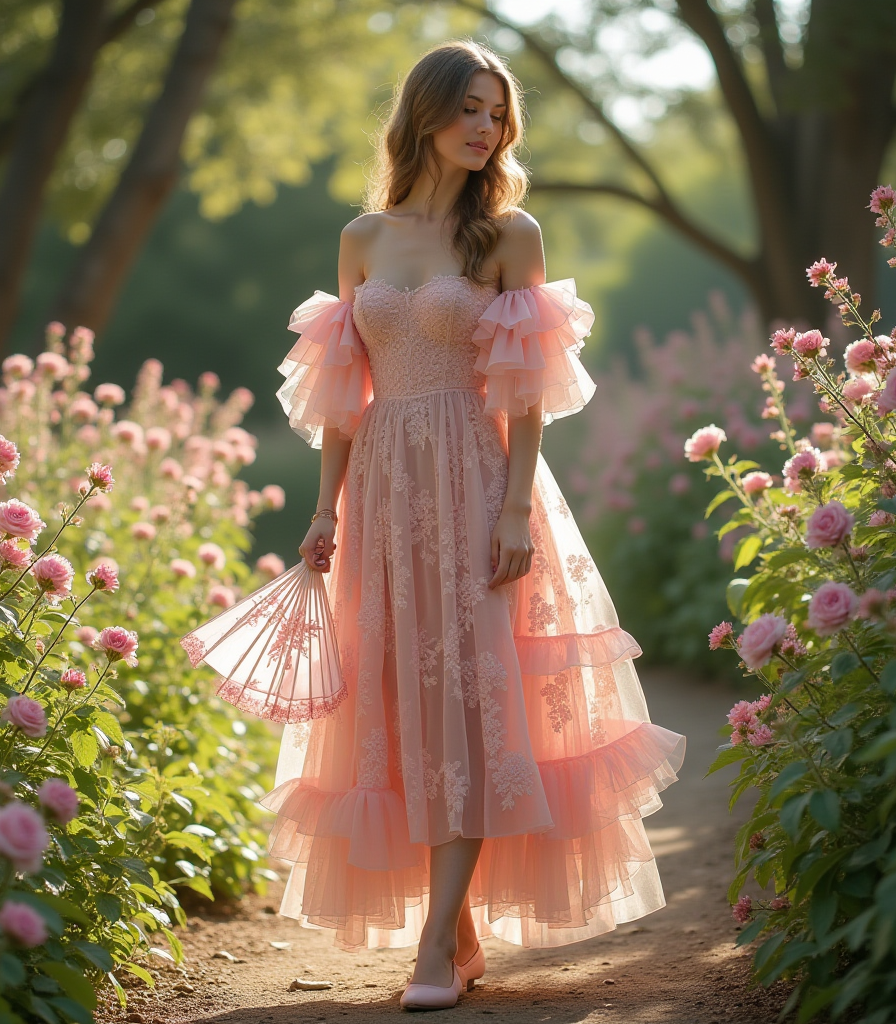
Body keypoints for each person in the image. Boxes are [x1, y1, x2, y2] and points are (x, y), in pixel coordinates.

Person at [265, 40, 686, 1011]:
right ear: (424, 114)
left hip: (473, 477)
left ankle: (427, 949)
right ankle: (454, 932)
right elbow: (339, 396)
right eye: (466, 108)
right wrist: (322, 510)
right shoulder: (362, 237)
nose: (482, 127)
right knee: (396, 701)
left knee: (468, 697)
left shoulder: (506, 235)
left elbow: (525, 397)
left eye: (494, 113)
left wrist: (511, 508)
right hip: (377, 488)